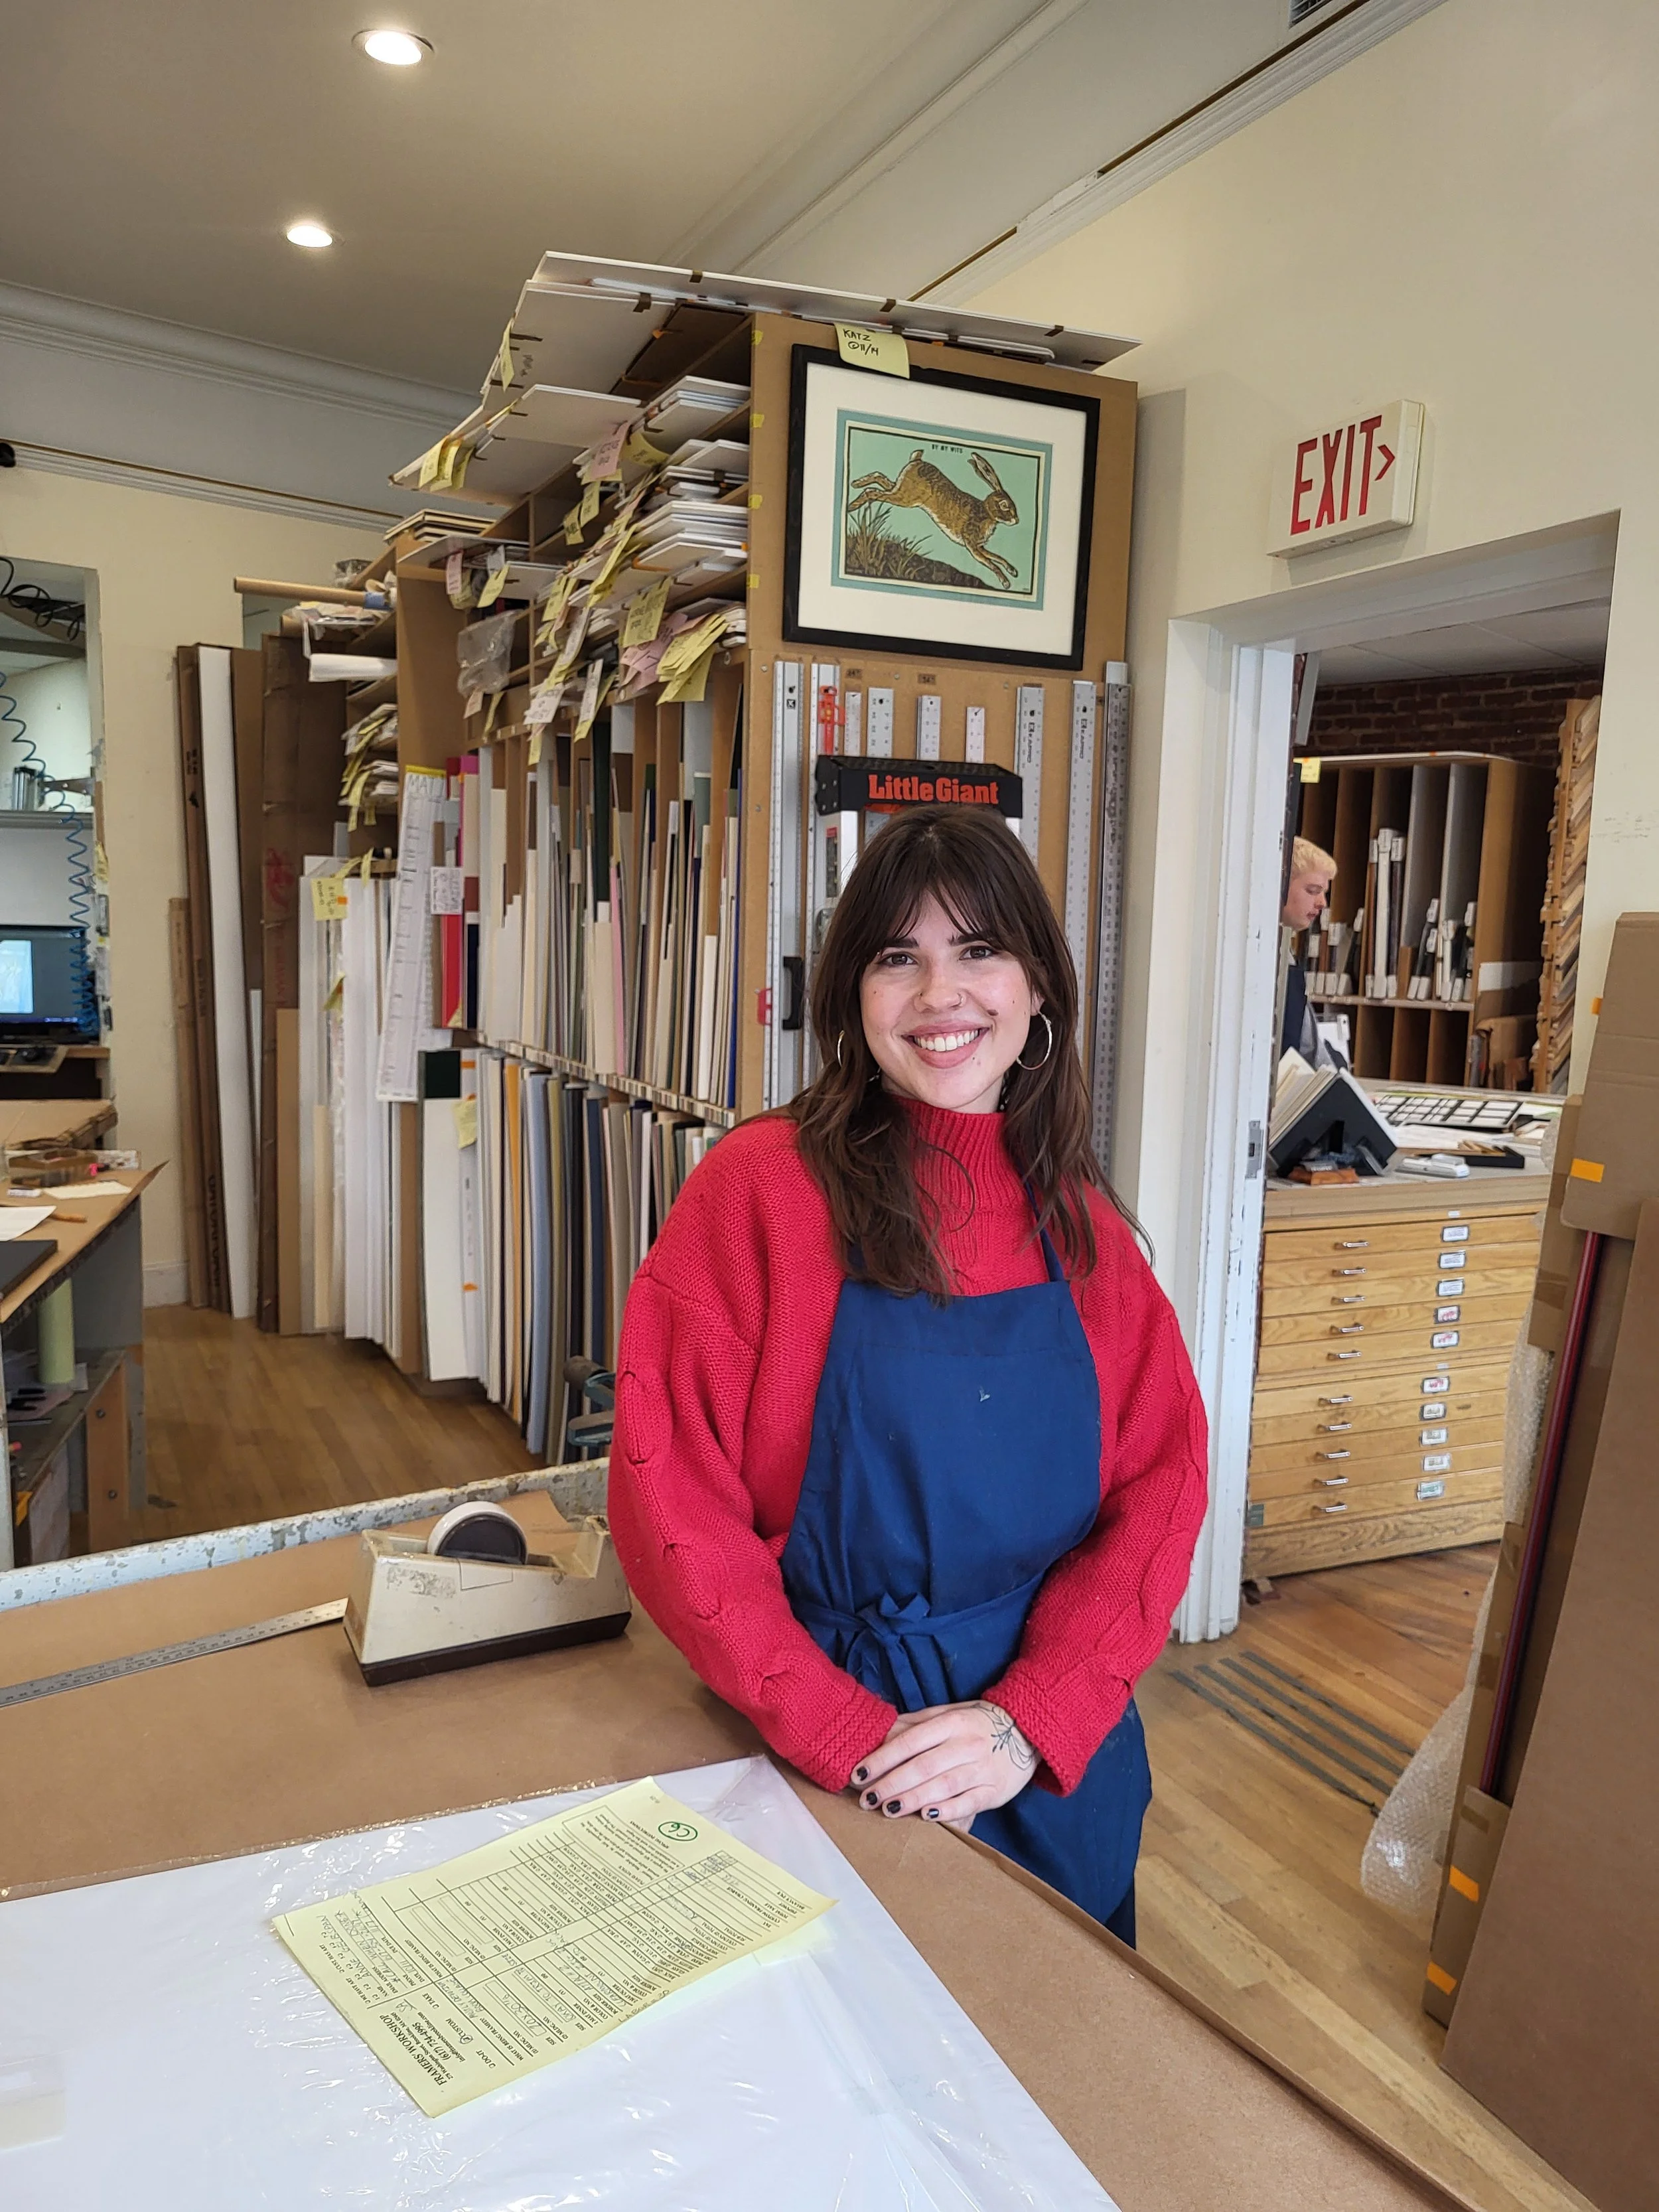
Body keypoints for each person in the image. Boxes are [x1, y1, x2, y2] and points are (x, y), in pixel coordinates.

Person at [609, 804, 1208, 1944]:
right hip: (817, 1751)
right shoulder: (759, 1194)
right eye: (900, 956)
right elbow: (666, 1491)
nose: (943, 993)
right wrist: (839, 1726)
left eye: (979, 949)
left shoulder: (1082, 1228)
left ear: (1036, 989)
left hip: (1042, 1765)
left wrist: (1028, 1720)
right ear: (853, 995)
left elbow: (1161, 1489)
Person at [1281, 835, 1337, 1061]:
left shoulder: (1286, 951)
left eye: (1324, 893)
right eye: (1313, 891)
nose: (1322, 903)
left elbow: (1309, 1045)